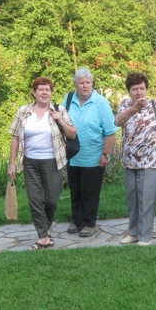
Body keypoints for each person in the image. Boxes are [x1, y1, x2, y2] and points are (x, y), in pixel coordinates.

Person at [8, 77, 77, 250]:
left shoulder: (59, 110)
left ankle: (46, 228)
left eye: (47, 90)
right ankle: (43, 237)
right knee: (35, 199)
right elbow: (15, 137)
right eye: (41, 89)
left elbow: (72, 134)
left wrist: (60, 120)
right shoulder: (23, 111)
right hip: (30, 162)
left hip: (53, 161)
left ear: (51, 93)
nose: (44, 92)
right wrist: (12, 164)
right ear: (34, 93)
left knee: (52, 200)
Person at [115, 72, 156, 246]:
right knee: (132, 200)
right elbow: (118, 122)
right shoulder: (125, 105)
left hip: (151, 162)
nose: (139, 92)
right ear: (129, 91)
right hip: (129, 162)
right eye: (135, 89)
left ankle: (145, 237)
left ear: (146, 89)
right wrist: (135, 108)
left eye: (142, 88)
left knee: (146, 200)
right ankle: (134, 233)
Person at [63, 67, 118, 237]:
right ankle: (76, 220)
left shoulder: (100, 103)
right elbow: (60, 123)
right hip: (72, 156)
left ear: (92, 84)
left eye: (88, 82)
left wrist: (105, 154)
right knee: (75, 190)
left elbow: (110, 131)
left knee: (89, 191)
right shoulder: (68, 99)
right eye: (81, 83)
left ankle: (88, 223)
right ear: (76, 85)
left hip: (94, 157)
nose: (85, 86)